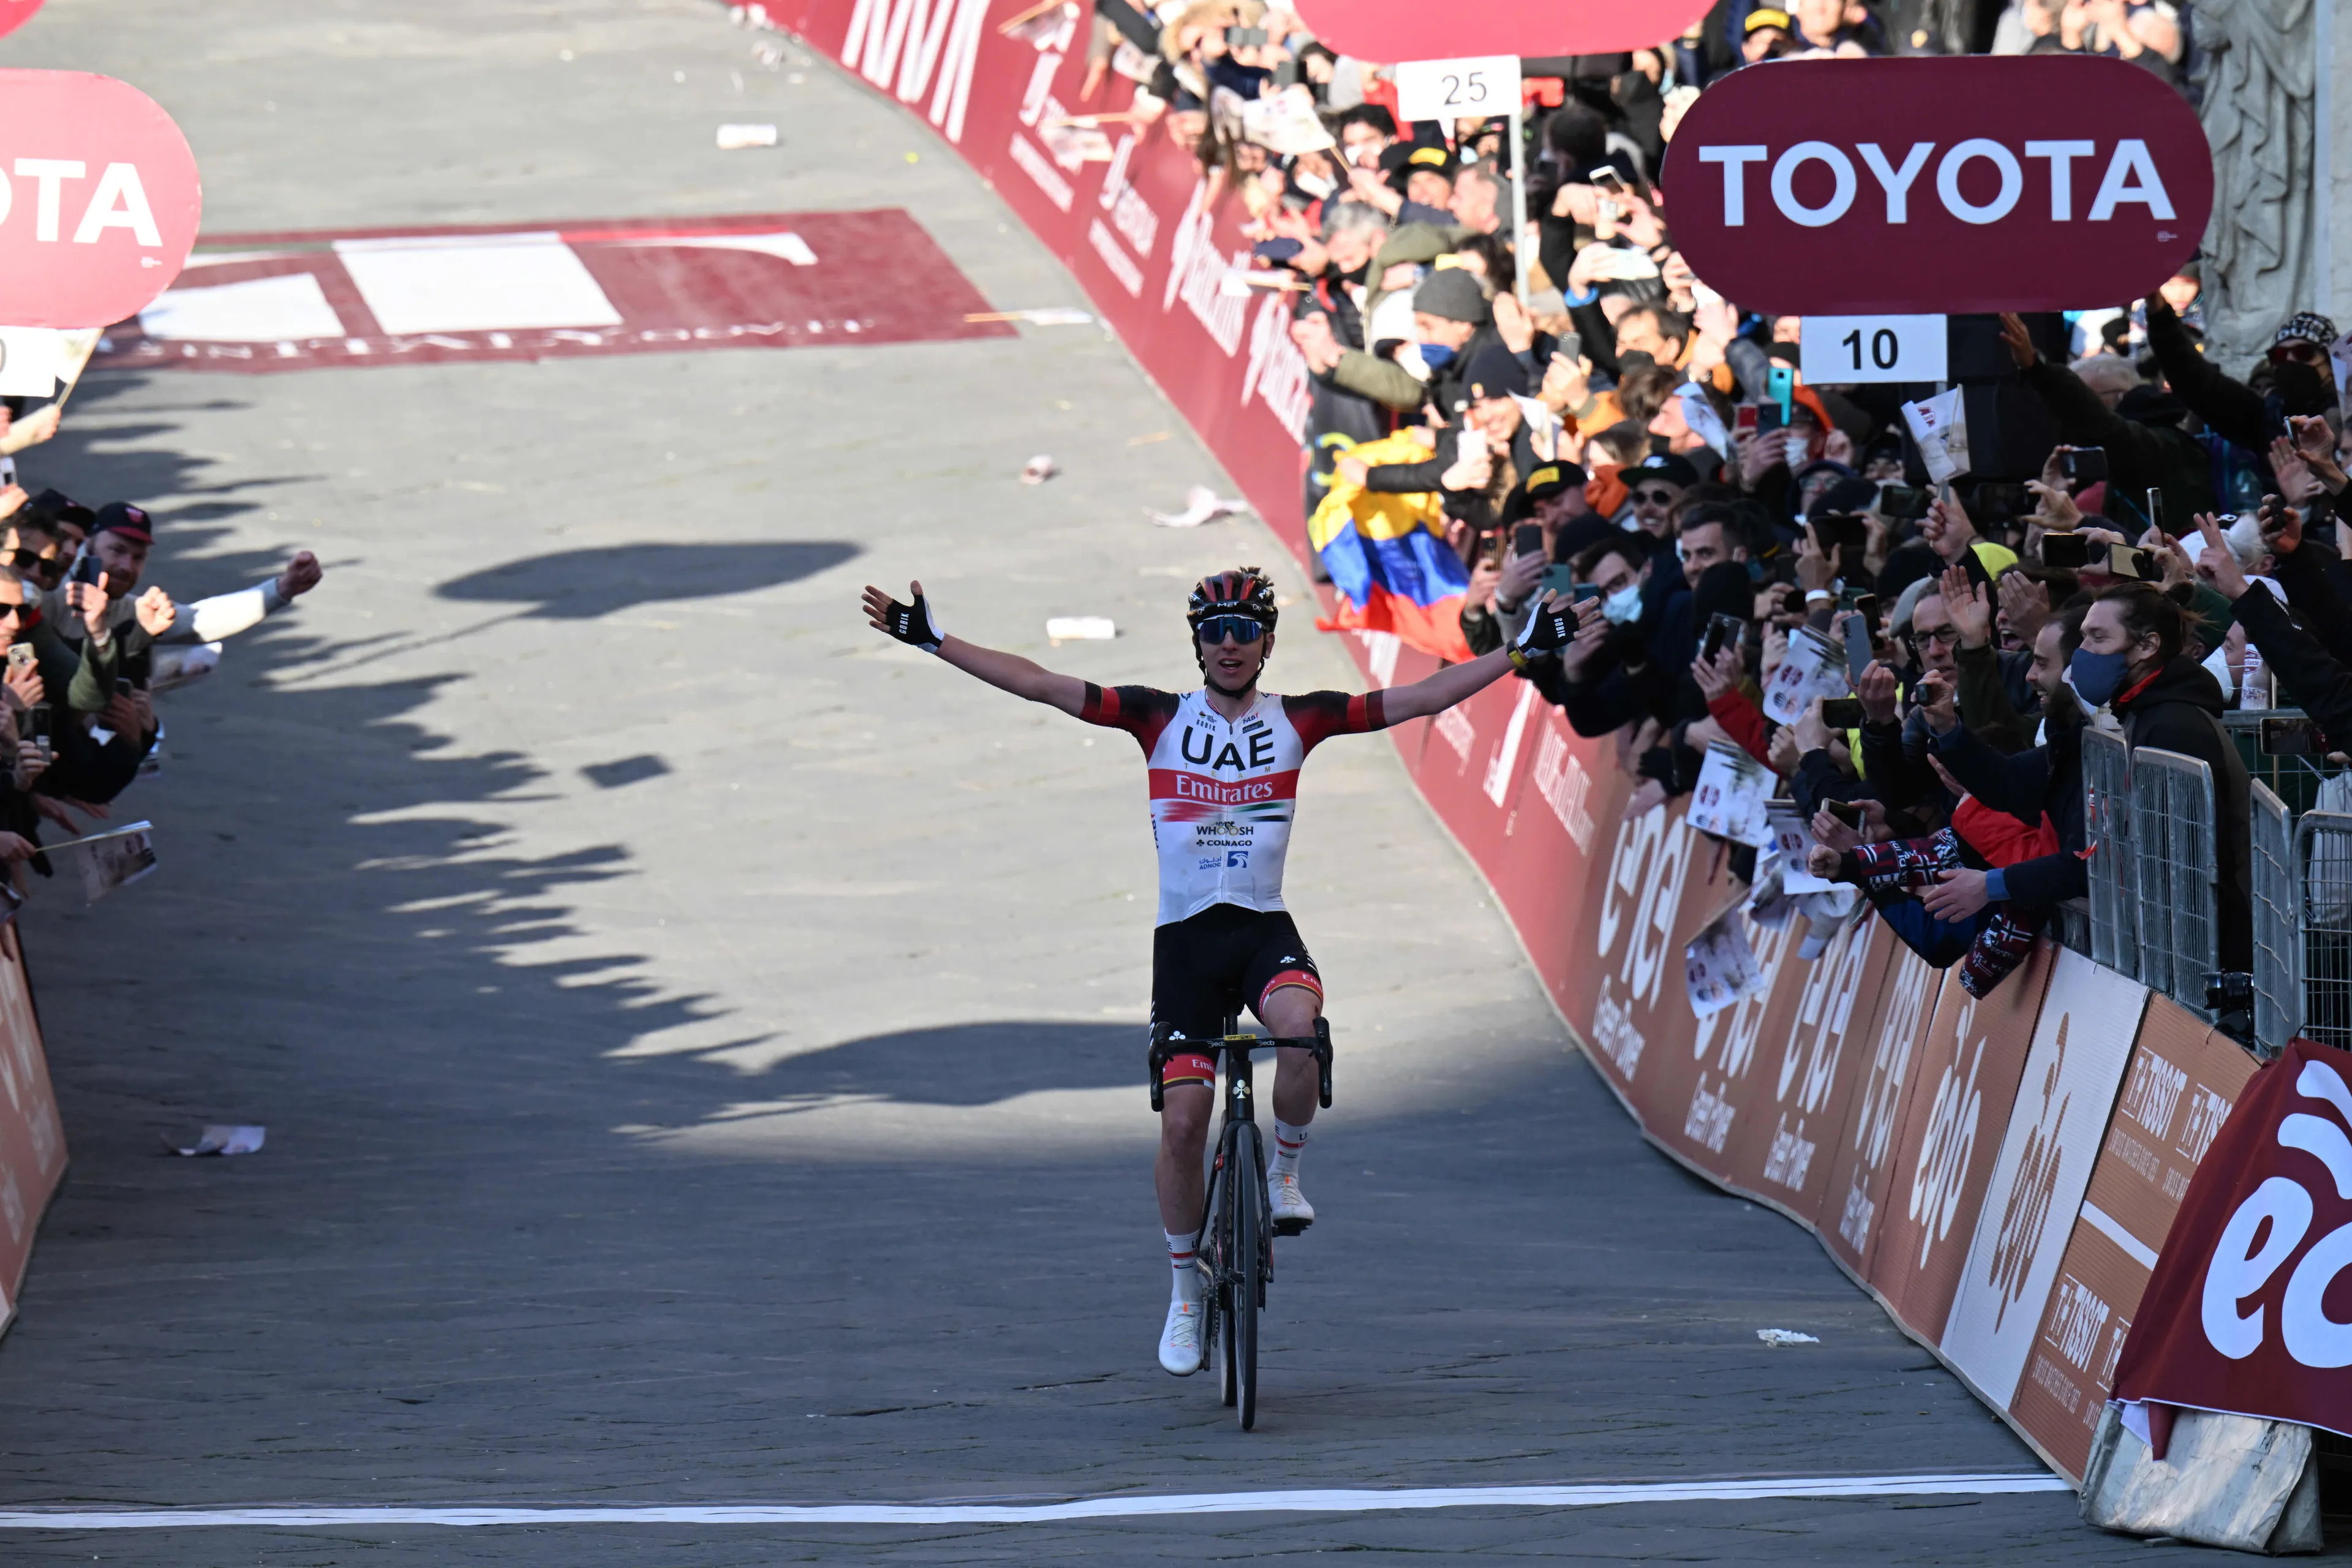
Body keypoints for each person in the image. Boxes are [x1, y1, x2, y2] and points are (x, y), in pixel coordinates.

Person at [861, 569, 1580, 1378]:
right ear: (1196, 641)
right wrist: (933, 641)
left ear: (1268, 643)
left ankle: (1285, 1172)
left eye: (1245, 631)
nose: (1230, 643)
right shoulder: (1155, 716)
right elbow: (1038, 684)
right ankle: (1184, 1292)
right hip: (1186, 949)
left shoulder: (1300, 719)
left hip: (1263, 929)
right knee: (1181, 1125)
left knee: (1302, 1032)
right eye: (1216, 630)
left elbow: (1418, 699)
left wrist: (1518, 656)